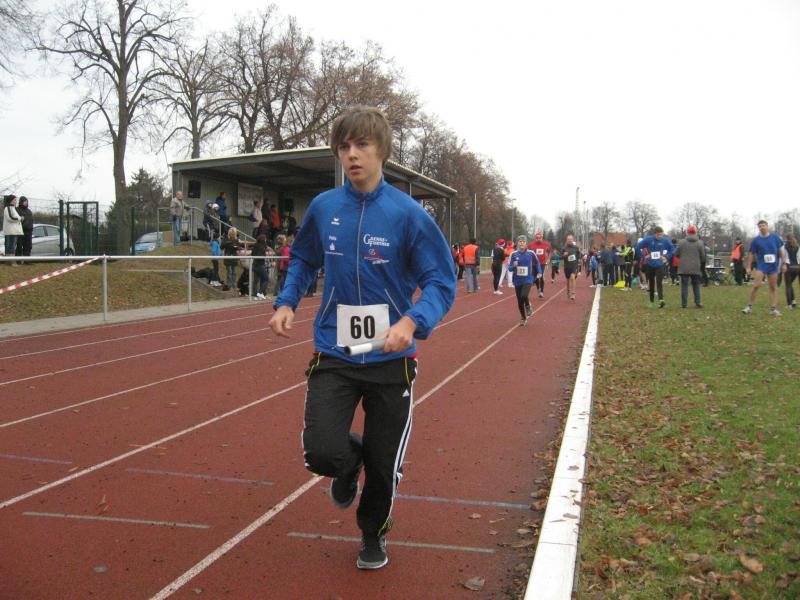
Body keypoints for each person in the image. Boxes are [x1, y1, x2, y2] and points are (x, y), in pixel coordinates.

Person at [269, 106, 456, 571]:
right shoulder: (324, 207)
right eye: (344, 146)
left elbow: (440, 280)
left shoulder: (408, 215)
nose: (352, 154)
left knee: (384, 461)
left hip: (390, 357)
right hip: (336, 349)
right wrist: (287, 301)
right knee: (321, 451)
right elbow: (304, 258)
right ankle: (348, 462)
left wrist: (412, 322)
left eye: (362, 145)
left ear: (382, 151)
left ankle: (372, 533)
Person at [742, 220, 787, 316]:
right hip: (762, 265)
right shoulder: (756, 240)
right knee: (756, 285)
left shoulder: (775, 237)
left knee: (773, 287)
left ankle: (774, 309)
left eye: (763, 225)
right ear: (758, 228)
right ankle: (749, 307)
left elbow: (781, 251)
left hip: (773, 266)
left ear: (767, 226)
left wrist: (784, 263)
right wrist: (748, 266)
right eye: (760, 226)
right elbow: (751, 253)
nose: (762, 227)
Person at [635, 226, 675, 308]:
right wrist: (644, 256)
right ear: (655, 234)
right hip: (650, 265)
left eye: (661, 235)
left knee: (659, 282)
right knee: (651, 282)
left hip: (660, 264)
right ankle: (651, 301)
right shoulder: (648, 239)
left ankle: (661, 300)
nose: (660, 236)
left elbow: (672, 249)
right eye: (658, 235)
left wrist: (666, 257)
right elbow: (637, 247)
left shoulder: (665, 240)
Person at [509, 235, 541, 325]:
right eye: (520, 241)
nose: (522, 243)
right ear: (517, 243)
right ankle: (523, 318)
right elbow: (509, 269)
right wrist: (513, 265)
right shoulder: (513, 254)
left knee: (524, 295)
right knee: (519, 301)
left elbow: (537, 262)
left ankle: (527, 305)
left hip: (528, 279)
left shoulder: (531, 253)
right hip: (517, 280)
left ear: (526, 244)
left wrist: (539, 272)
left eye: (523, 242)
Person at [675, 225, 706, 308]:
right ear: (695, 232)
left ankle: (684, 304)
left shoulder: (681, 242)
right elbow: (703, 256)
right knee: (696, 285)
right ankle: (698, 302)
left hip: (684, 267)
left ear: (687, 232)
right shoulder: (700, 243)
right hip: (696, 267)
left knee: (684, 285)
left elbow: (676, 253)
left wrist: (682, 257)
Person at [528, 232, 551, 298]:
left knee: (541, 276)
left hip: (542, 263)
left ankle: (542, 292)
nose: (538, 239)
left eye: (540, 238)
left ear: (542, 238)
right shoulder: (531, 245)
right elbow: (527, 253)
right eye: (537, 238)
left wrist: (548, 259)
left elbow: (550, 252)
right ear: (535, 238)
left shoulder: (546, 244)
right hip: (533, 263)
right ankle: (538, 289)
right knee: (535, 277)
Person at [2, 194, 22, 264]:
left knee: (11, 246)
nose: (16, 201)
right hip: (11, 231)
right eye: (15, 200)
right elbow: (10, 218)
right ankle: (12, 261)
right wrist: (20, 218)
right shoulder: (8, 208)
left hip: (14, 231)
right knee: (11, 246)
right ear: (11, 200)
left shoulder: (13, 208)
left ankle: (9, 261)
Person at [562, 234, 581, 300]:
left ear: (573, 240)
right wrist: (564, 255)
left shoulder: (576, 248)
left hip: (574, 266)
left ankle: (573, 294)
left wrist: (578, 262)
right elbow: (561, 257)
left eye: (571, 239)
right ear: (566, 240)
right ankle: (568, 291)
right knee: (568, 280)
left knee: (573, 278)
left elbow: (579, 256)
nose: (570, 240)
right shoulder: (564, 248)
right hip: (567, 266)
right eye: (568, 239)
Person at [251, 233, 269, 299]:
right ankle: (260, 292)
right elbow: (260, 256)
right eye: (265, 239)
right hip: (260, 265)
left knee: (256, 280)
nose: (266, 240)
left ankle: (255, 294)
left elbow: (252, 254)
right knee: (266, 279)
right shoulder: (261, 247)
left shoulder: (255, 246)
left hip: (255, 265)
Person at [783, 233, 799, 309]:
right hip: (797, 267)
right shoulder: (797, 246)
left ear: (787, 238)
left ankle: (789, 305)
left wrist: (783, 265)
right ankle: (793, 302)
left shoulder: (785, 246)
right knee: (790, 284)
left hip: (788, 266)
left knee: (788, 285)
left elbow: (784, 257)